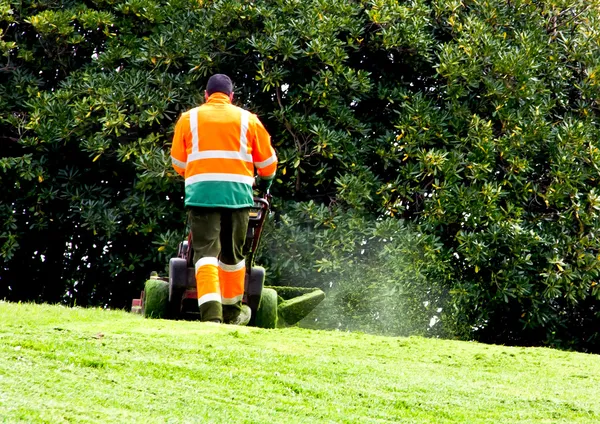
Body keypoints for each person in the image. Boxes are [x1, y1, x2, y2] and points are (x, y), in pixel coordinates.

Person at [170, 74, 277, 325]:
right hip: (238, 197)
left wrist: (197, 174)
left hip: (202, 195)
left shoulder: (189, 118)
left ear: (206, 96)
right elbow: (268, 164)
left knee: (205, 255)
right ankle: (231, 313)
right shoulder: (248, 120)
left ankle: (211, 317)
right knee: (233, 256)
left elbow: (178, 162)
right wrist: (266, 182)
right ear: (231, 97)